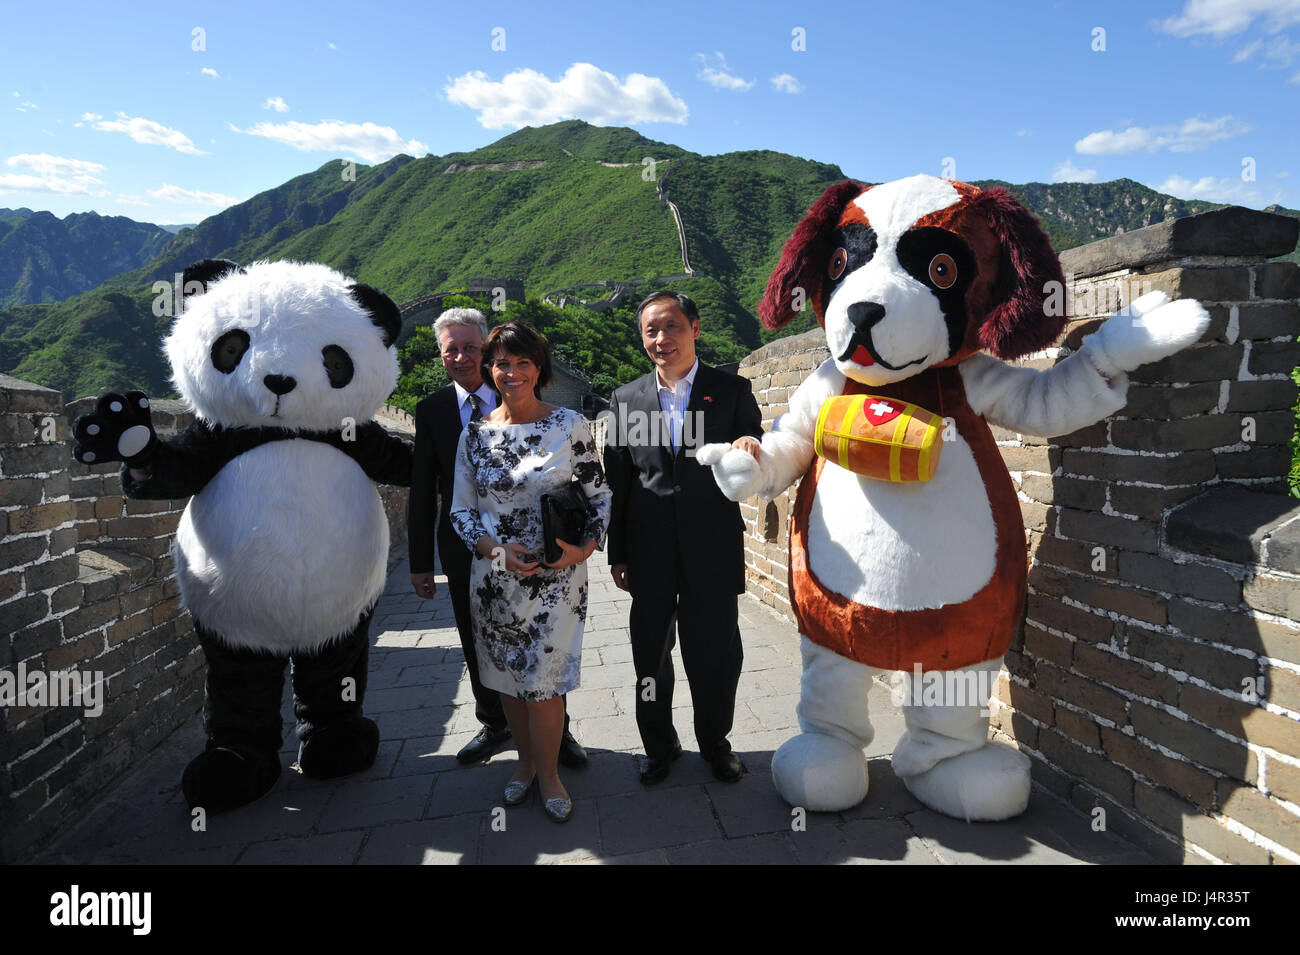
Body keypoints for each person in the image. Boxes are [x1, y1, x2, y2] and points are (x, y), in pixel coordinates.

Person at [408, 308, 587, 767]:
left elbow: (590, 486)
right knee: (481, 646)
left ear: (485, 349)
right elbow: (427, 489)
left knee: (544, 654)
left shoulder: (544, 409)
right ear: (441, 355)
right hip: (471, 553)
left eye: (471, 347)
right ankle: (495, 724)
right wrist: (419, 563)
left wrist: (584, 544)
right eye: (453, 349)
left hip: (546, 555)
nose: (463, 357)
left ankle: (556, 737)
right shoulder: (432, 411)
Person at [450, 321, 611, 822]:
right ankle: (522, 764)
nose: (511, 372)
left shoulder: (568, 425)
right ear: (489, 368)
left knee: (543, 685)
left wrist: (582, 552)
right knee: (506, 684)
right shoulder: (475, 435)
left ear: (538, 369)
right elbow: (461, 512)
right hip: (495, 581)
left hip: (557, 581)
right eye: (502, 362)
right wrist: (497, 552)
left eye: (522, 362)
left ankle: (550, 774)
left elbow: (599, 496)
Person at [605, 291, 763, 784]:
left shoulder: (730, 390)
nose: (660, 339)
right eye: (651, 330)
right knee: (650, 653)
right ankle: (660, 744)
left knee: (714, 653)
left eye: (671, 327)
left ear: (695, 328)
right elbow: (619, 480)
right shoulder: (627, 399)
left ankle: (716, 743)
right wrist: (619, 552)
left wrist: (750, 445)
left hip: (711, 544)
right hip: (648, 548)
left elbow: (755, 448)